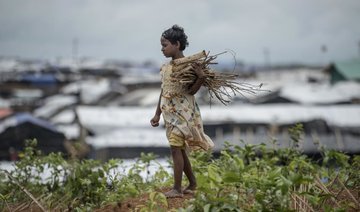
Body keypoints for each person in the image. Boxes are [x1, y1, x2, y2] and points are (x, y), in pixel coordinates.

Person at [150, 25, 214, 198]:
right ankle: (192, 183)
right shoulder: (165, 68)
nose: (162, 49)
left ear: (177, 44)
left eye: (165, 45)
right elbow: (164, 92)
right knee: (178, 148)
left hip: (184, 113)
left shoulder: (190, 66)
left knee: (175, 149)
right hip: (169, 115)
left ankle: (177, 189)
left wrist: (201, 77)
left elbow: (191, 91)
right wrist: (157, 114)